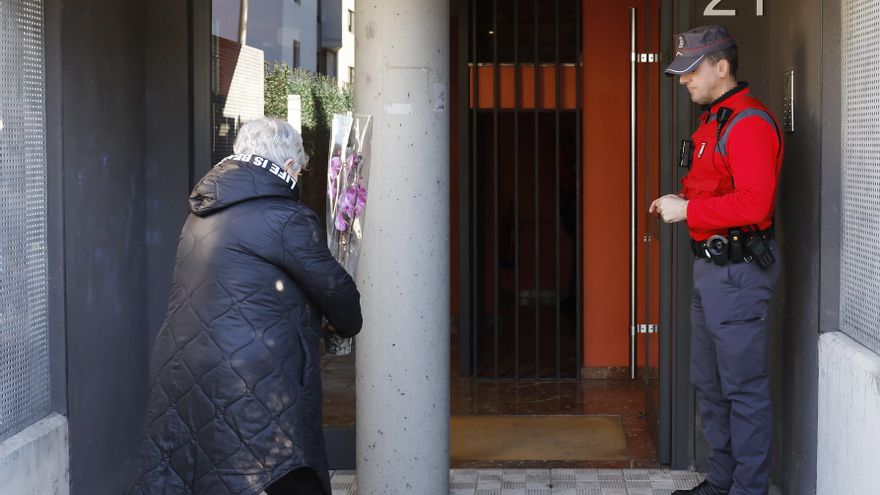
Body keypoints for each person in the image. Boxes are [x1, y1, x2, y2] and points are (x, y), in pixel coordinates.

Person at [129, 117, 362, 495]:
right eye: (299, 169)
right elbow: (336, 290)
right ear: (288, 167)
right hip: (254, 376)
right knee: (285, 470)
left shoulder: (200, 212)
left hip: (186, 365)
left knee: (208, 472)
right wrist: (346, 326)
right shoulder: (286, 219)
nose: (299, 176)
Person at [650, 26, 783, 495]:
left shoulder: (747, 123)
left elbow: (755, 204)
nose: (683, 80)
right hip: (713, 270)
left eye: (691, 71)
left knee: (743, 389)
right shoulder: (715, 121)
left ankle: (748, 489)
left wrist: (687, 210)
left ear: (721, 67)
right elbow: (719, 190)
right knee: (710, 385)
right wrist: (684, 201)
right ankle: (723, 481)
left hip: (739, 273)